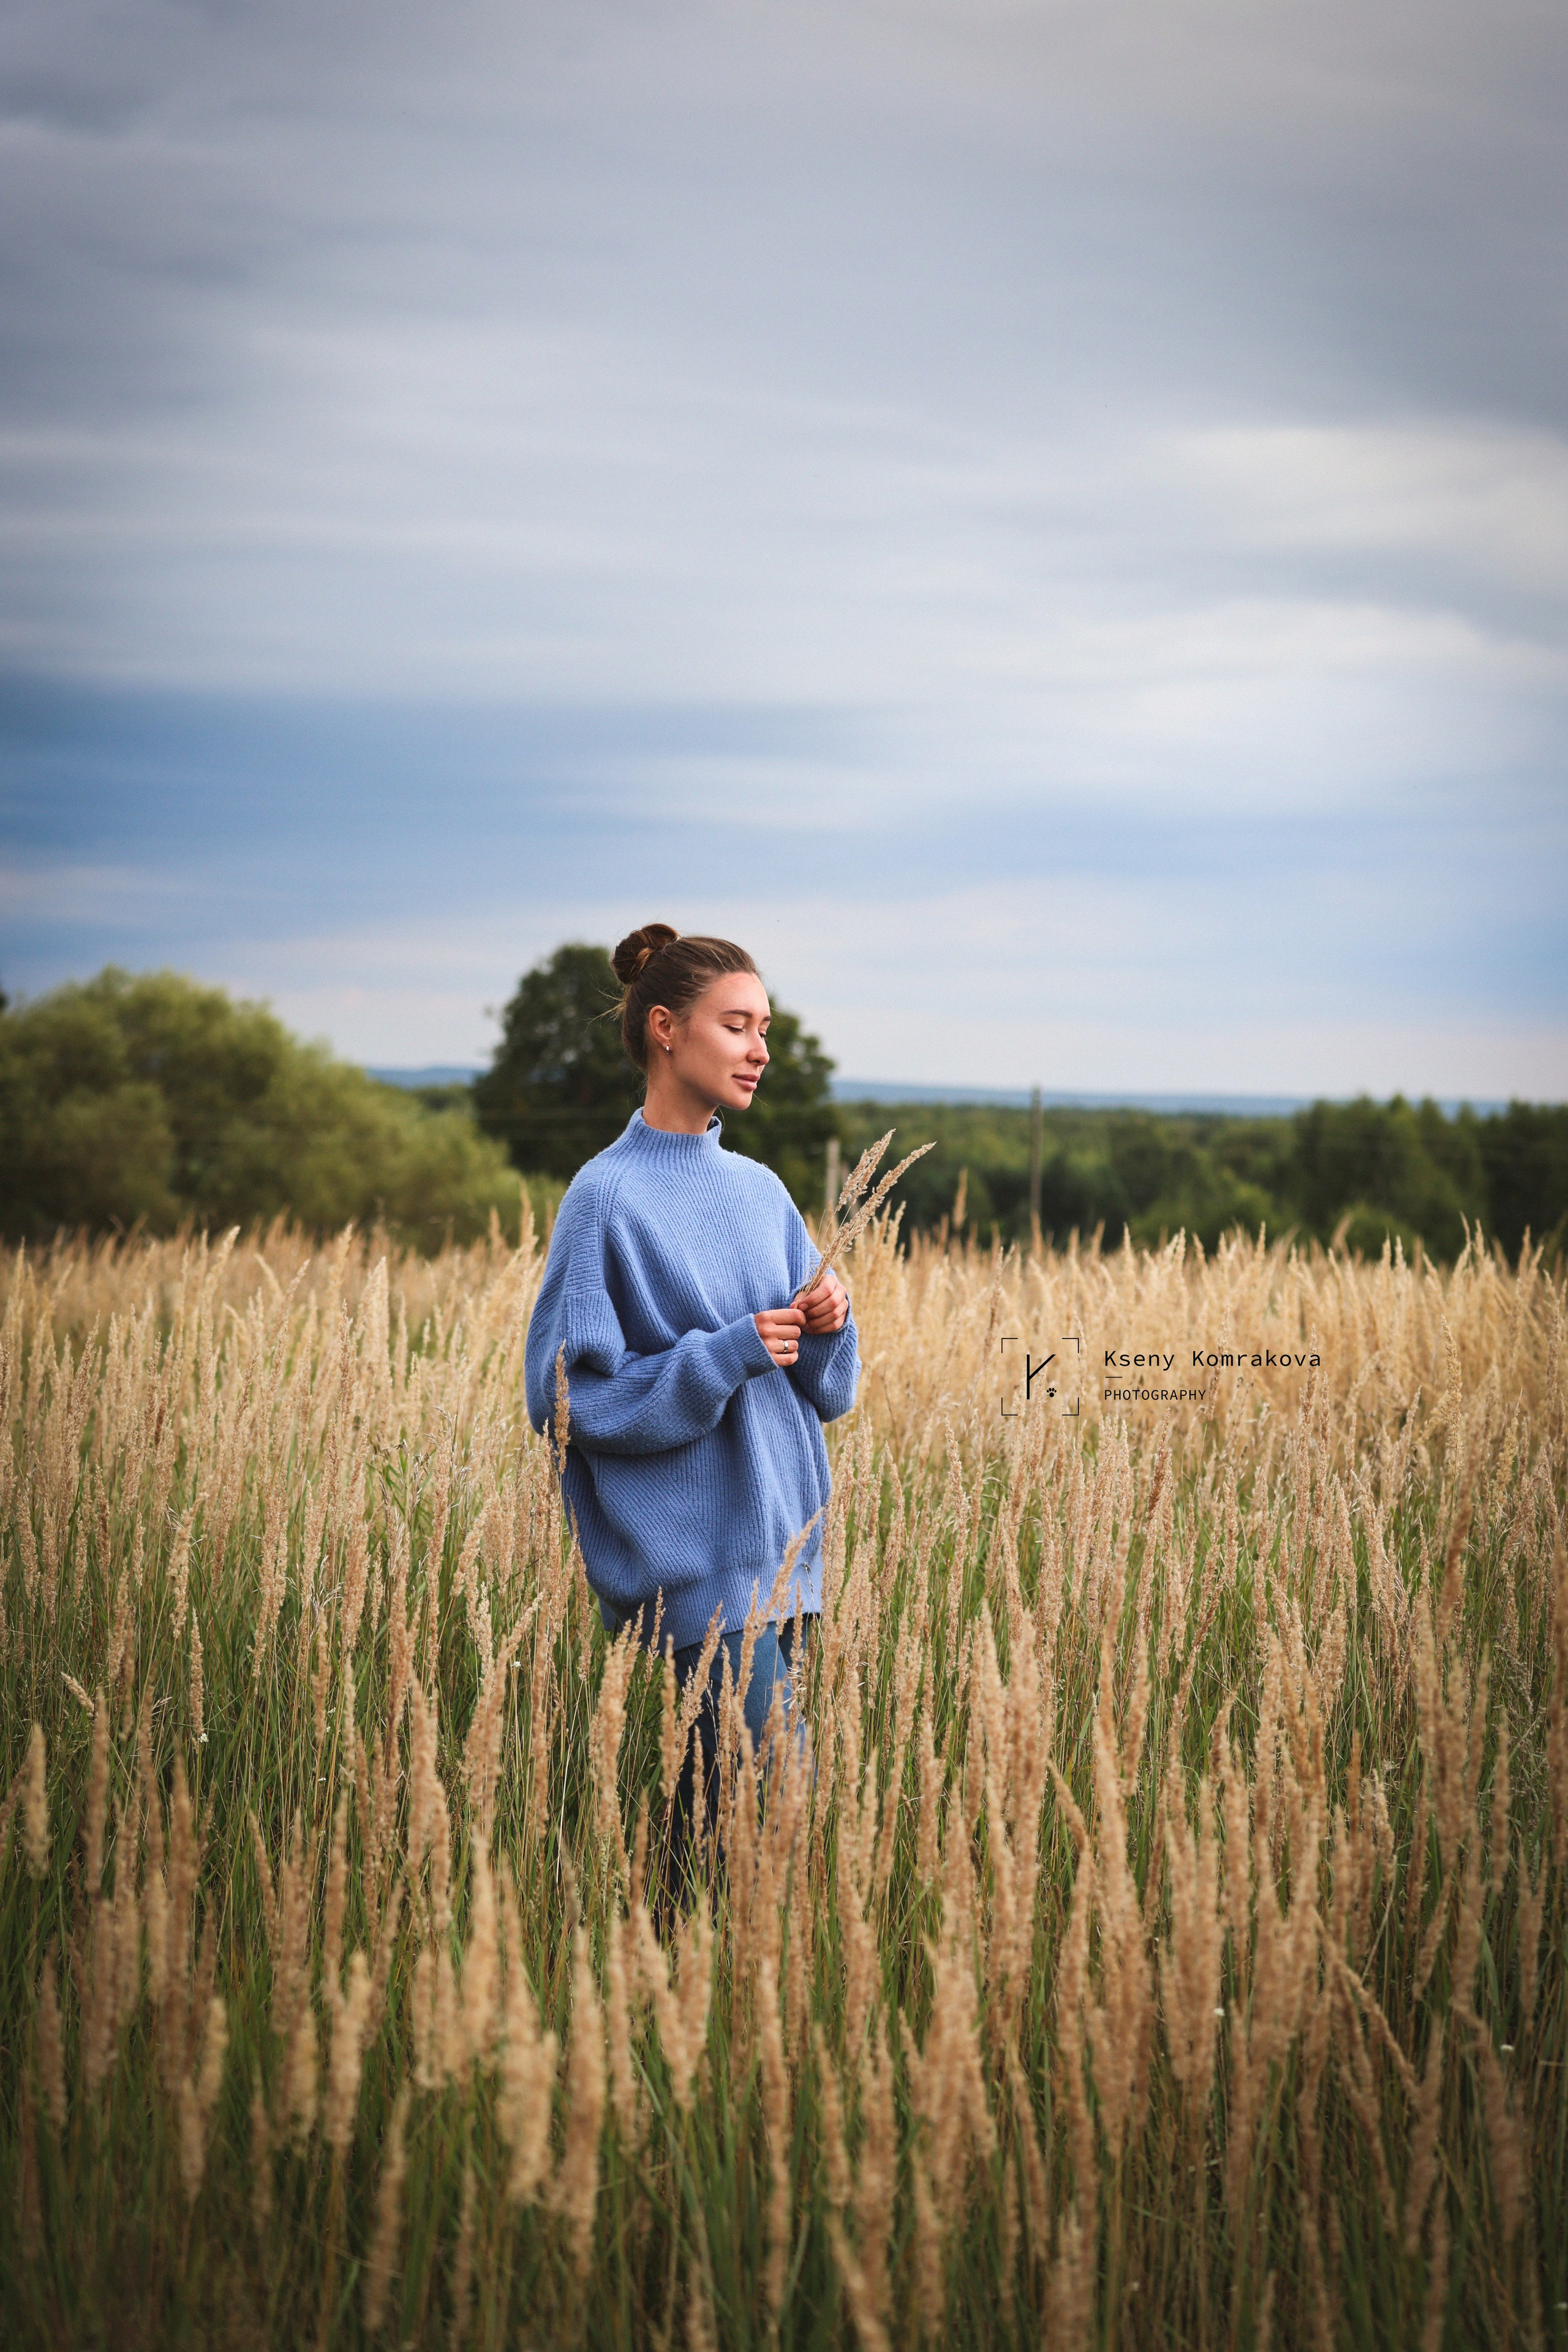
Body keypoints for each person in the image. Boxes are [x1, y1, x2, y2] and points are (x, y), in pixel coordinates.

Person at [523, 923, 859, 1893]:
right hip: (698, 1568)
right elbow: (569, 1401)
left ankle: (654, 1963)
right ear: (666, 1029)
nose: (761, 1051)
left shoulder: (761, 1191)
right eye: (737, 1026)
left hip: (788, 1555)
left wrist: (830, 1324)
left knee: (720, 1826)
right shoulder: (605, 1198)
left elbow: (829, 1393)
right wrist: (724, 1354)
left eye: (766, 1030)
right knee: (773, 1804)